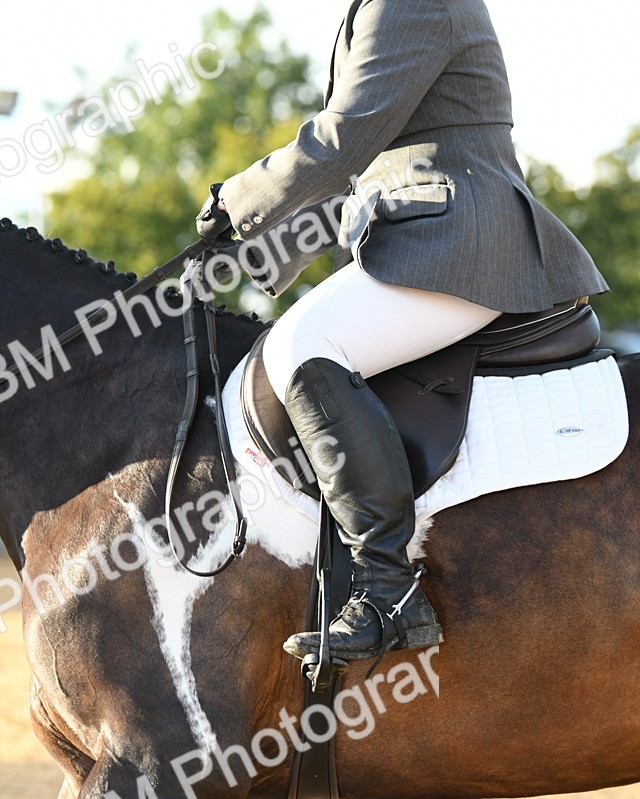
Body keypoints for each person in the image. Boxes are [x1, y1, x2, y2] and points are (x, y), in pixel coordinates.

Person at [196, 0, 608, 662]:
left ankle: (390, 591)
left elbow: (343, 138)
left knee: (304, 348)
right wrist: (248, 241)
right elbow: (367, 167)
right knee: (301, 339)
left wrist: (241, 199)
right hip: (423, 234)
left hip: (461, 240)